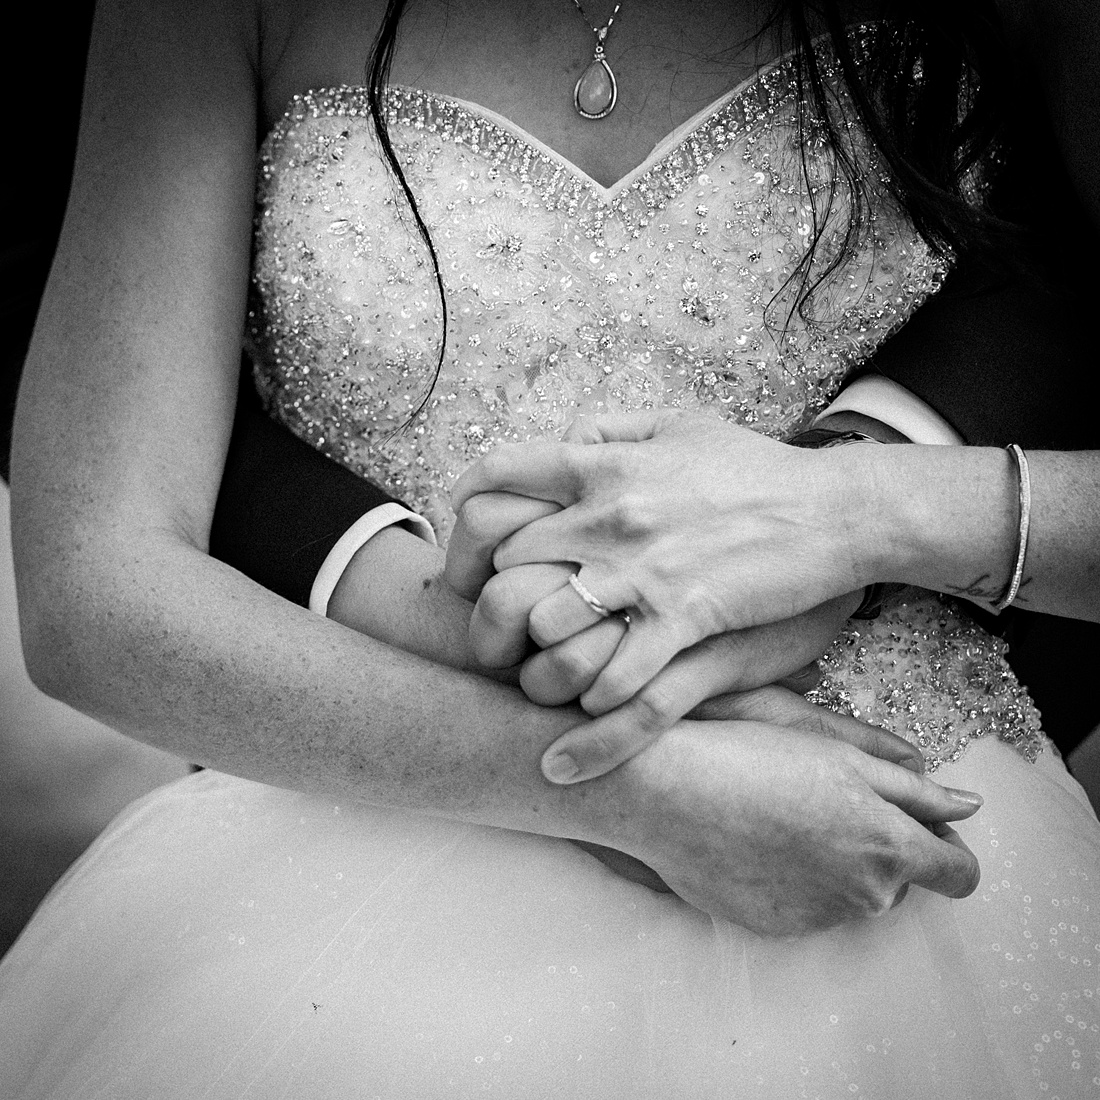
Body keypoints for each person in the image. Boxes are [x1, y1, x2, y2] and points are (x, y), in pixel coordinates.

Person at [1, 1, 1099, 1097]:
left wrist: (849, 511)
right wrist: (626, 784)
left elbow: (1054, 305)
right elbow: (95, 586)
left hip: (881, 808)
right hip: (364, 799)